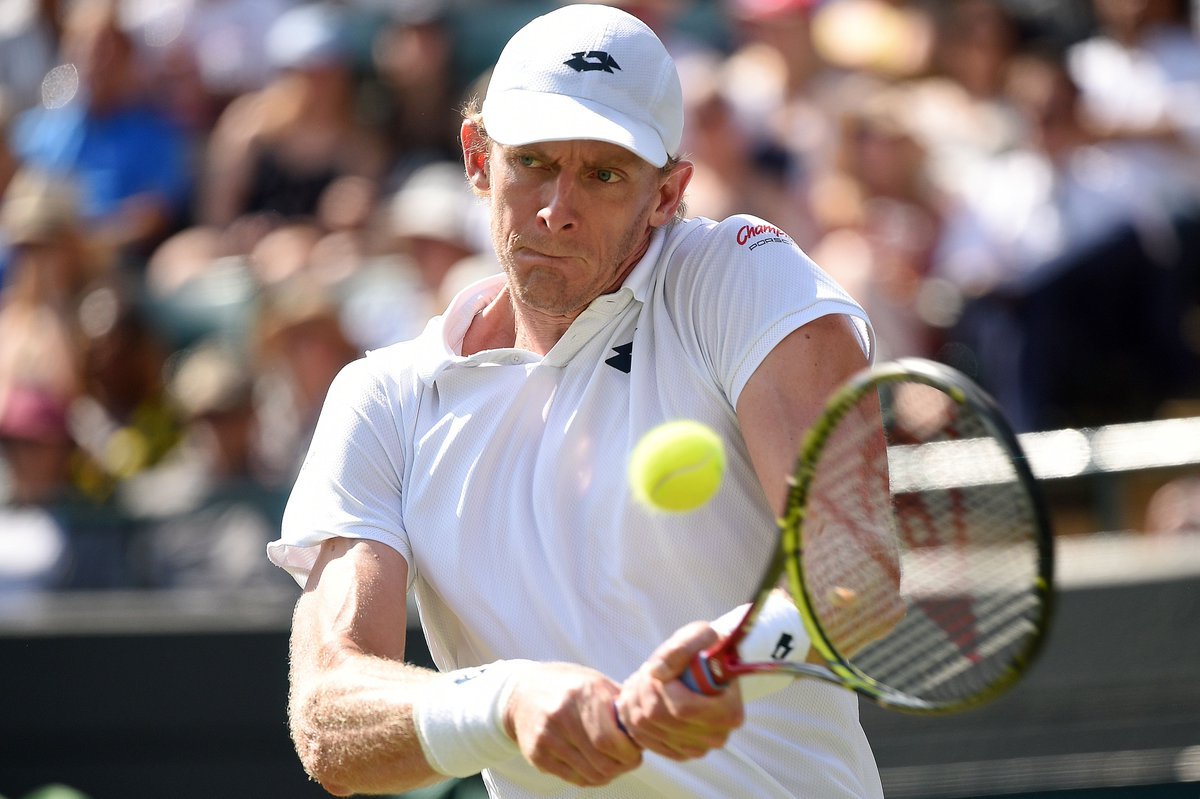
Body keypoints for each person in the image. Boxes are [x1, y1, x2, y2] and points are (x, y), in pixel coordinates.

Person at [268, 5, 884, 798]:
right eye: (532, 161)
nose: (557, 207)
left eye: (604, 174)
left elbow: (857, 572)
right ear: (478, 158)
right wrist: (505, 702)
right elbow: (328, 718)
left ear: (668, 194)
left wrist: (736, 657)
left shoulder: (742, 275)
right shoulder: (383, 400)